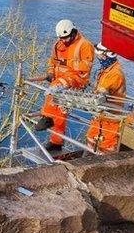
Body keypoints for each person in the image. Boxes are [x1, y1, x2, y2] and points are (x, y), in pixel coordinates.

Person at [32, 19, 95, 152]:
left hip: (77, 80)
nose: (64, 41)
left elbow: (86, 66)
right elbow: (52, 62)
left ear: (73, 32)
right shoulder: (57, 45)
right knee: (59, 111)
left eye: (66, 38)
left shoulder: (85, 45)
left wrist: (68, 63)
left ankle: (47, 117)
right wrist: (50, 73)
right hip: (60, 80)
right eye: (62, 38)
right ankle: (56, 142)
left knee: (53, 89)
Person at [86, 44, 127, 152]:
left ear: (108, 55)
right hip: (100, 117)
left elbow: (103, 92)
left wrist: (90, 100)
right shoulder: (107, 70)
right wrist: (89, 83)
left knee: (107, 148)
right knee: (90, 139)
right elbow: (101, 87)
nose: (100, 59)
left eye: (101, 56)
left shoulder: (115, 74)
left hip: (110, 120)